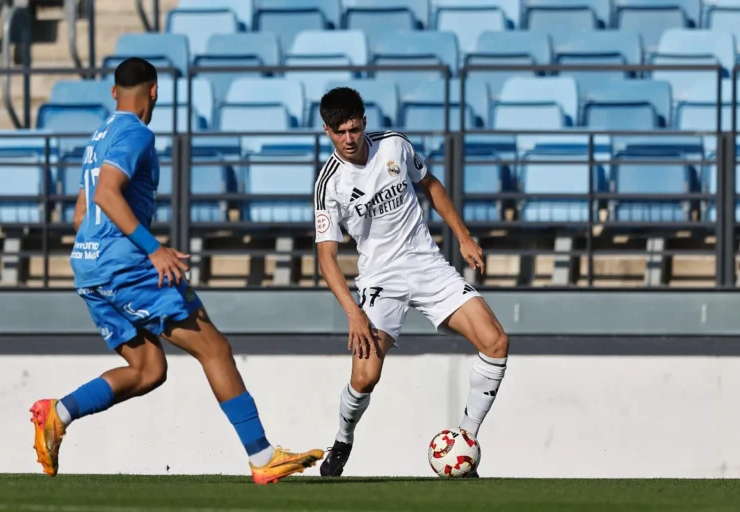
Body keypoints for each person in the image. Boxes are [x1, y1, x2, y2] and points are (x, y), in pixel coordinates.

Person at [29, 57, 323, 484]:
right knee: (215, 348)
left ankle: (58, 414)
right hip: (124, 264)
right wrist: (152, 250)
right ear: (154, 93)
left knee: (149, 370)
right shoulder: (135, 134)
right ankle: (262, 457)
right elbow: (109, 195)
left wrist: (104, 252)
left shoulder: (99, 136)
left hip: (89, 266)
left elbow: (82, 212)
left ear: (114, 93)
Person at [314, 87, 509, 478]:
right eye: (339, 132)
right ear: (327, 131)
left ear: (364, 122)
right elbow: (326, 258)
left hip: (428, 266)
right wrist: (353, 312)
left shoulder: (395, 147)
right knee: (365, 377)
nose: (348, 139)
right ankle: (343, 437)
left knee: (496, 342)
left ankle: (464, 443)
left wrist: (463, 235)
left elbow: (431, 185)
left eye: (353, 129)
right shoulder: (329, 184)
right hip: (380, 279)